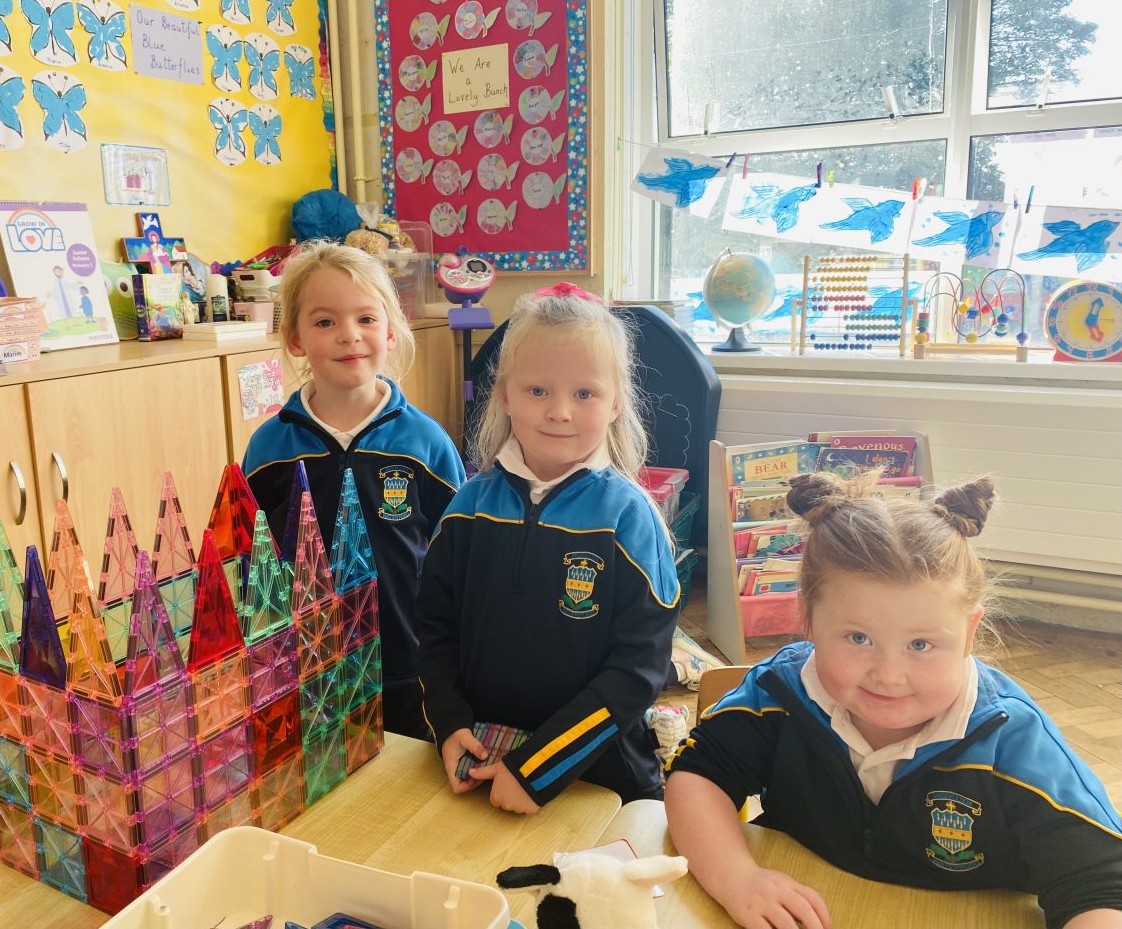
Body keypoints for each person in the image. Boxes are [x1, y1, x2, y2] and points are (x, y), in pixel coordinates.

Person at [665, 472, 1122, 929]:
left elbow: (1101, 886)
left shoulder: (1012, 740)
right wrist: (737, 878)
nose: (888, 674)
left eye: (920, 644)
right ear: (808, 618)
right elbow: (699, 775)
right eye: (858, 638)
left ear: (969, 633)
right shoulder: (778, 692)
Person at [417, 282, 681, 814]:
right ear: (504, 395)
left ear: (616, 403)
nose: (559, 411)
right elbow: (434, 630)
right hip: (476, 759)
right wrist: (448, 723)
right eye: (538, 390)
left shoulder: (629, 519)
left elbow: (637, 671)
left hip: (597, 776)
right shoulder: (467, 507)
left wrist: (539, 768)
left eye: (584, 394)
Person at [242, 241, 465, 741]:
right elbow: (249, 558)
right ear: (295, 338)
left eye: (366, 318)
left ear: (390, 330)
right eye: (325, 322)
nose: (349, 335)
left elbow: (461, 555)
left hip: (409, 667)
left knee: (410, 784)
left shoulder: (425, 442)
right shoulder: (270, 447)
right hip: (305, 667)